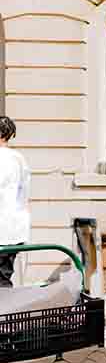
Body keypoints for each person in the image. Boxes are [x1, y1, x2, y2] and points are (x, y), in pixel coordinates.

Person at [0, 116, 31, 288]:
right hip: (14, 229)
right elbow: (25, 194)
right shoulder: (18, 159)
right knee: (4, 275)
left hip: (5, 228)